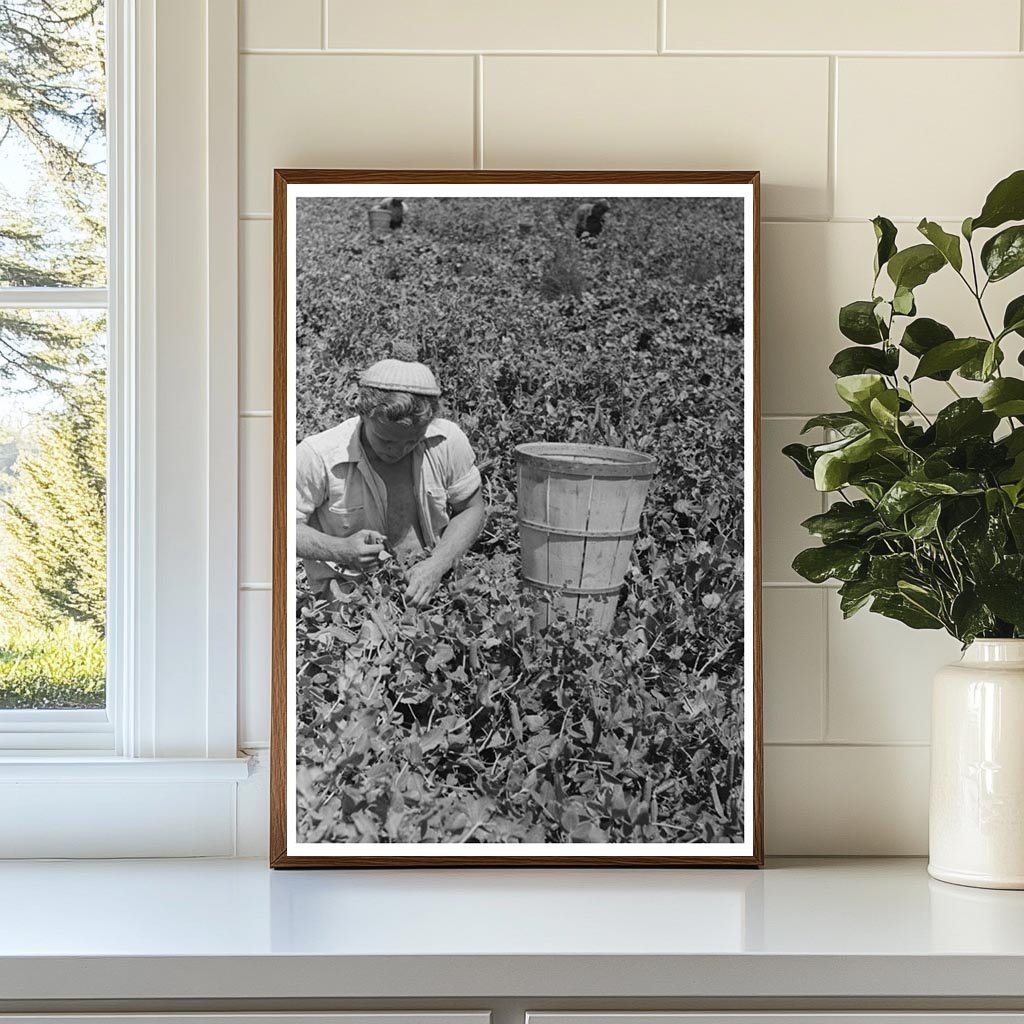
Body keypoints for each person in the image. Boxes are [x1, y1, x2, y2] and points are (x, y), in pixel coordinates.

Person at [295, 353, 485, 607]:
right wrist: (341, 549)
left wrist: (436, 565)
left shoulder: (447, 440)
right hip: (347, 602)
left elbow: (471, 508)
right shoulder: (318, 455)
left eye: (412, 441)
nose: (398, 451)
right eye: (386, 440)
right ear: (363, 414)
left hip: (433, 589)